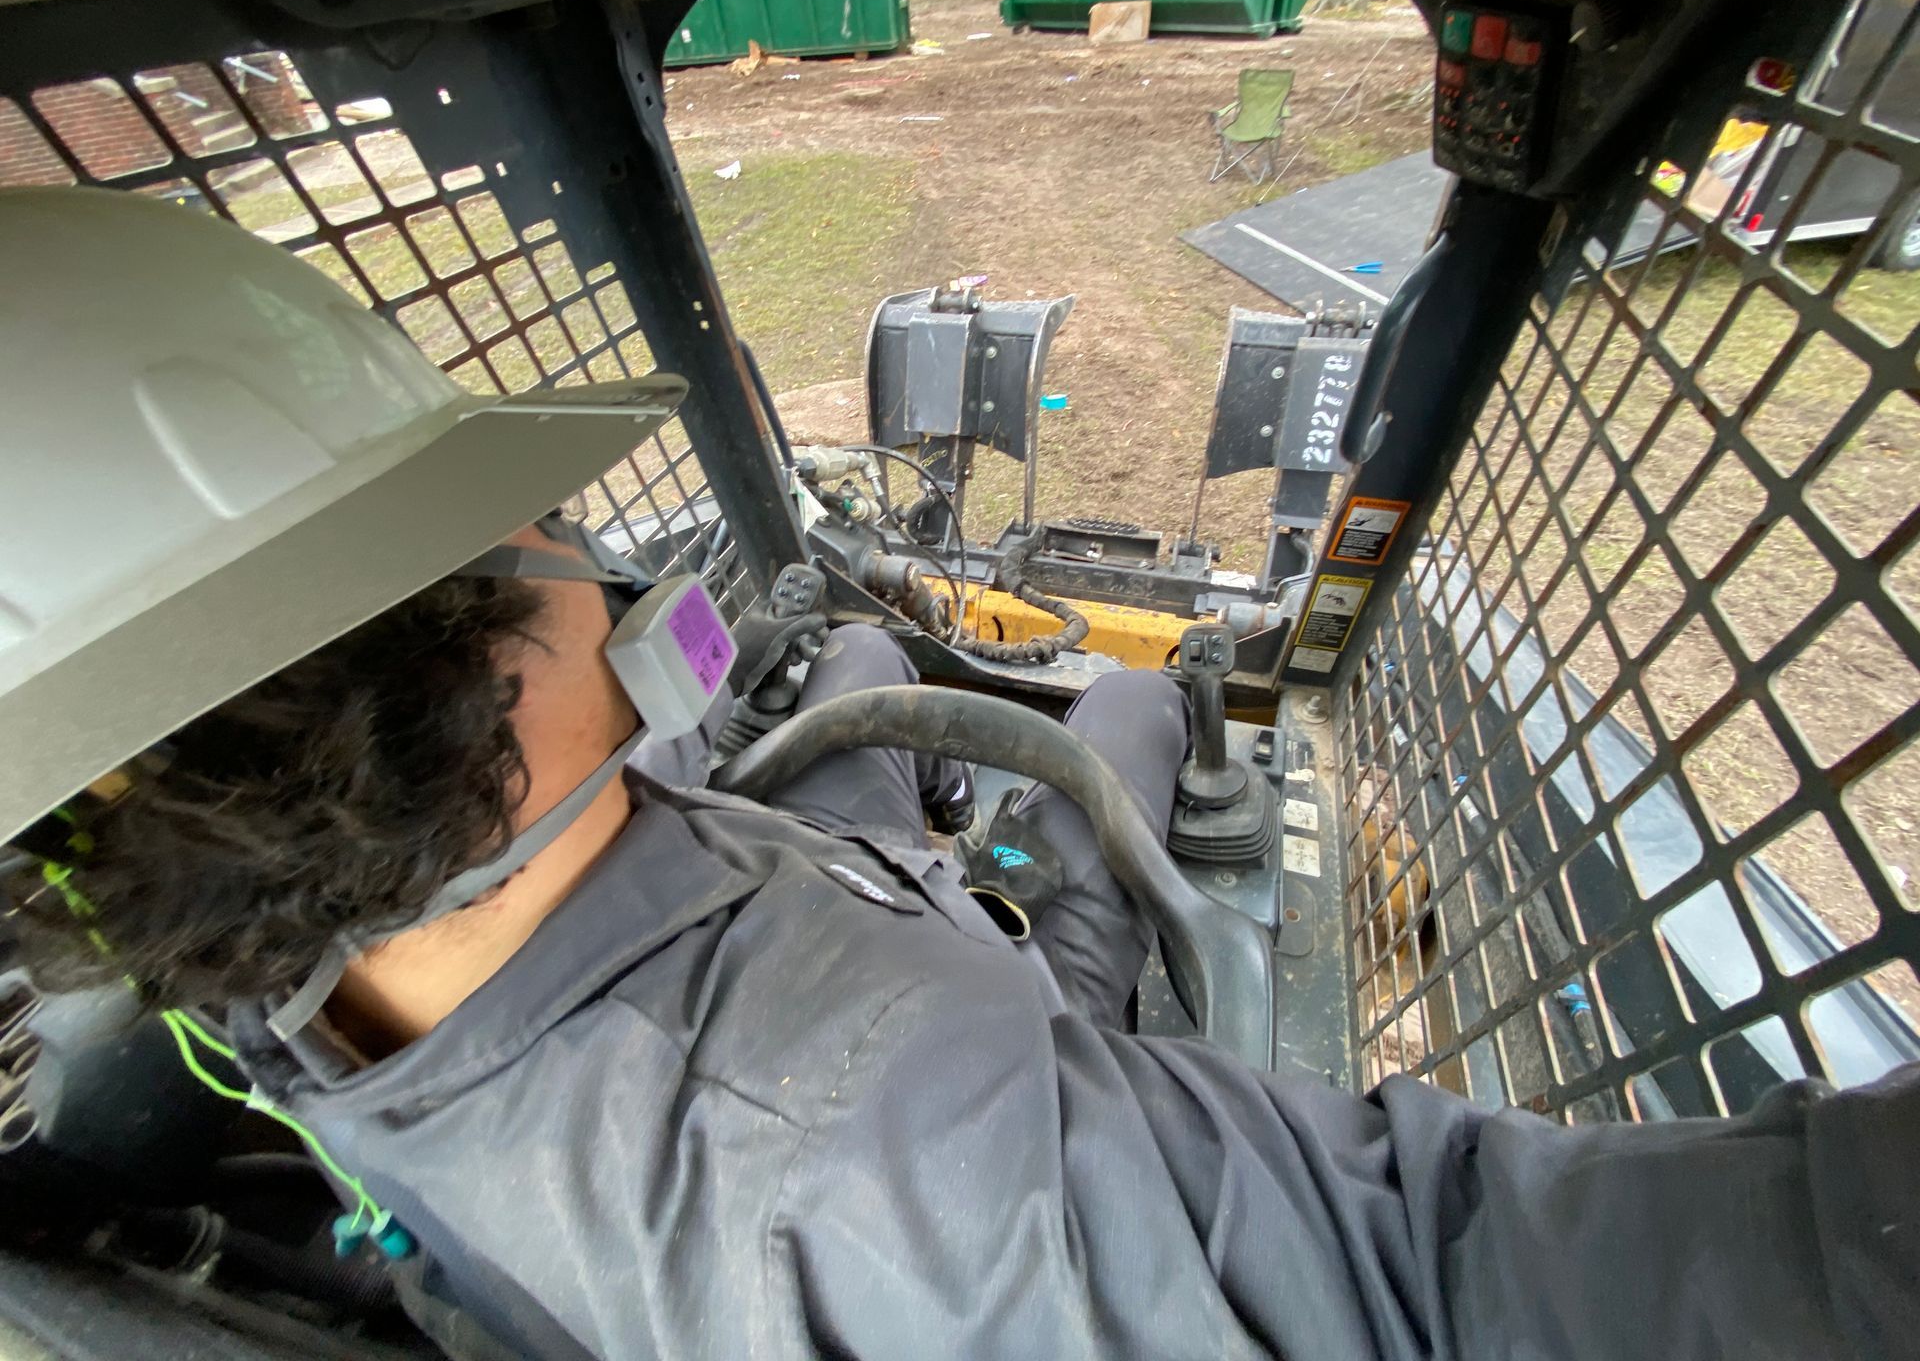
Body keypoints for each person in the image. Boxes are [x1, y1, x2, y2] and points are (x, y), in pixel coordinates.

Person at [4, 189, 1917, 1361]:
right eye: (542, 526)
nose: (595, 560)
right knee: (1141, 724)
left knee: (850, 654)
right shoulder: (931, 1156)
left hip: (717, 972)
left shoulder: (246, 972)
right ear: (465, 667)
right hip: (944, 1045)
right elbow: (1491, 1282)